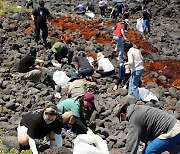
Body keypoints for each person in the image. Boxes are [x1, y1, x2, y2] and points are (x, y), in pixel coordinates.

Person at [114, 102, 180, 154]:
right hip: (175, 126)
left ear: (122, 115)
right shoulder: (137, 109)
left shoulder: (134, 119)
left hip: (172, 131)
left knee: (148, 152)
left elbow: (132, 142)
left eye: (122, 119)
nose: (125, 121)